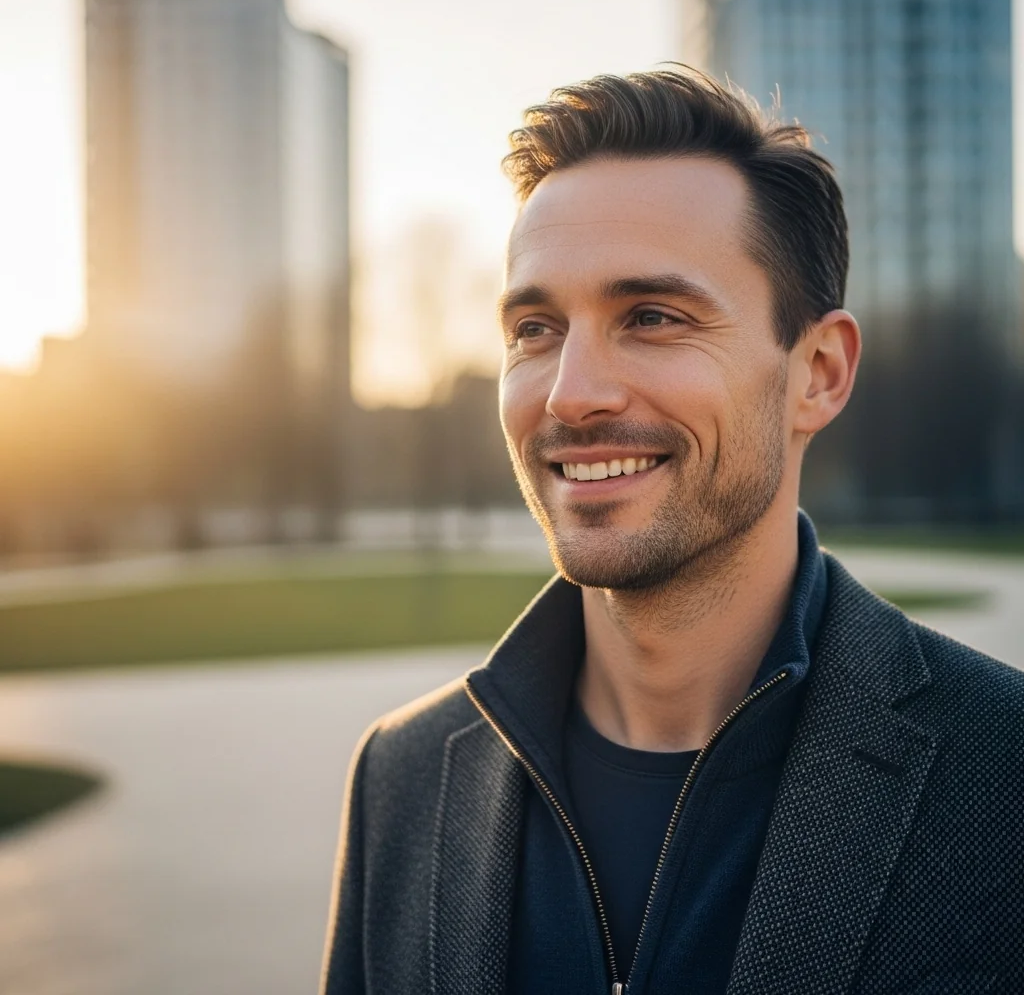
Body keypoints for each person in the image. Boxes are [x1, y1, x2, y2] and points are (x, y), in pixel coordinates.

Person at [319, 67, 1024, 995]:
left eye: (651, 317)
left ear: (818, 372)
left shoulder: (1003, 774)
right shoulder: (403, 777)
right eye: (534, 329)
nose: (570, 393)